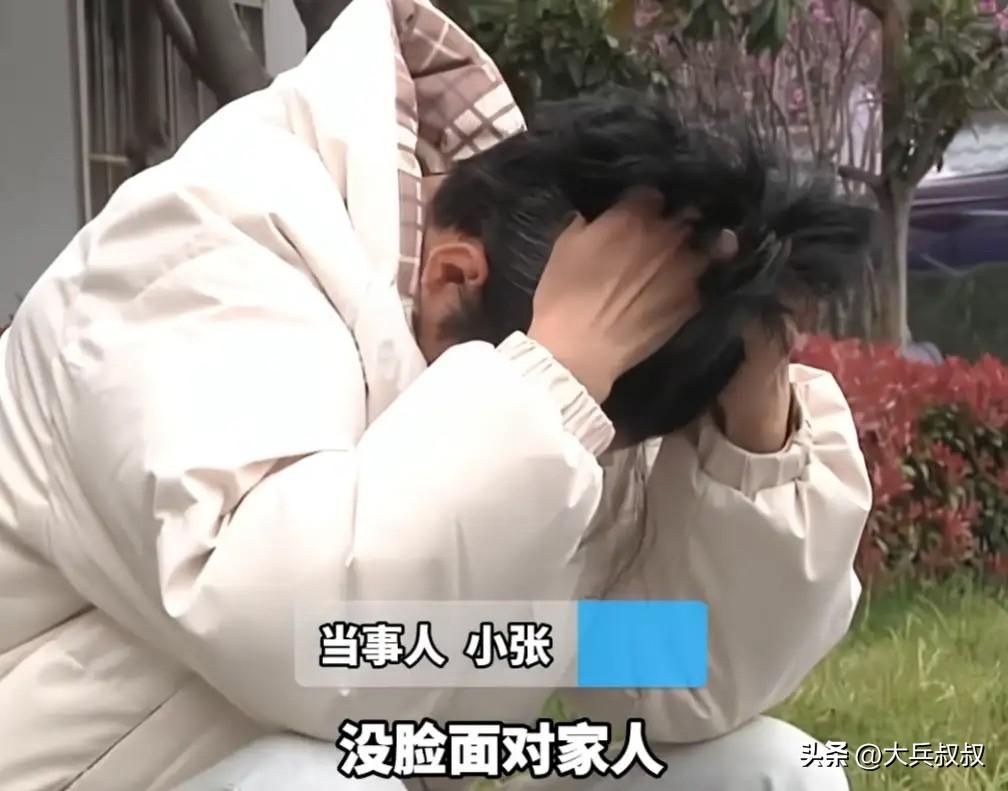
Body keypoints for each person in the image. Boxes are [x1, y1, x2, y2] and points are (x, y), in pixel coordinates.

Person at [0, 3, 870, 790]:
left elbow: (658, 669)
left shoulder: (576, 349)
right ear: (454, 274)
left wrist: (752, 426)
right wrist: (554, 378)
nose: (588, 449)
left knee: (772, 772)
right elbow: (304, 643)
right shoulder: (211, 236)